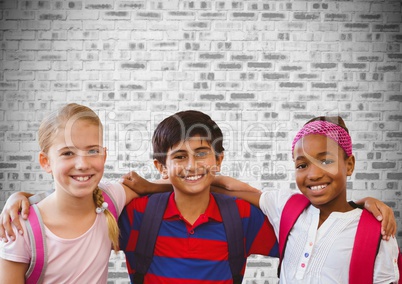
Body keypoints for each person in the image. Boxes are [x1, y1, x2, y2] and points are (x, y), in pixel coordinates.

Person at [0, 111, 397, 282]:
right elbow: (79, 199)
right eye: (179, 157)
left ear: (218, 159)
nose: (191, 165)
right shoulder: (136, 215)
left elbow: (312, 237)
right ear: (161, 166)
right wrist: (24, 197)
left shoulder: (242, 218)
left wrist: (359, 209)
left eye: (202, 153)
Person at [210, 116, 400, 283]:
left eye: (326, 161)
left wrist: (361, 205)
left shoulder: (378, 232)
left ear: (349, 165)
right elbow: (230, 188)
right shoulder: (286, 206)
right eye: (302, 165)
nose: (314, 174)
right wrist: (194, 178)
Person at [0, 103, 139, 283]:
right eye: (67, 153)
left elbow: (175, 184)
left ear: (104, 156)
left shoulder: (110, 197)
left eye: (92, 151)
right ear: (45, 161)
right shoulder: (19, 229)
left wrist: (18, 195)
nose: (82, 164)